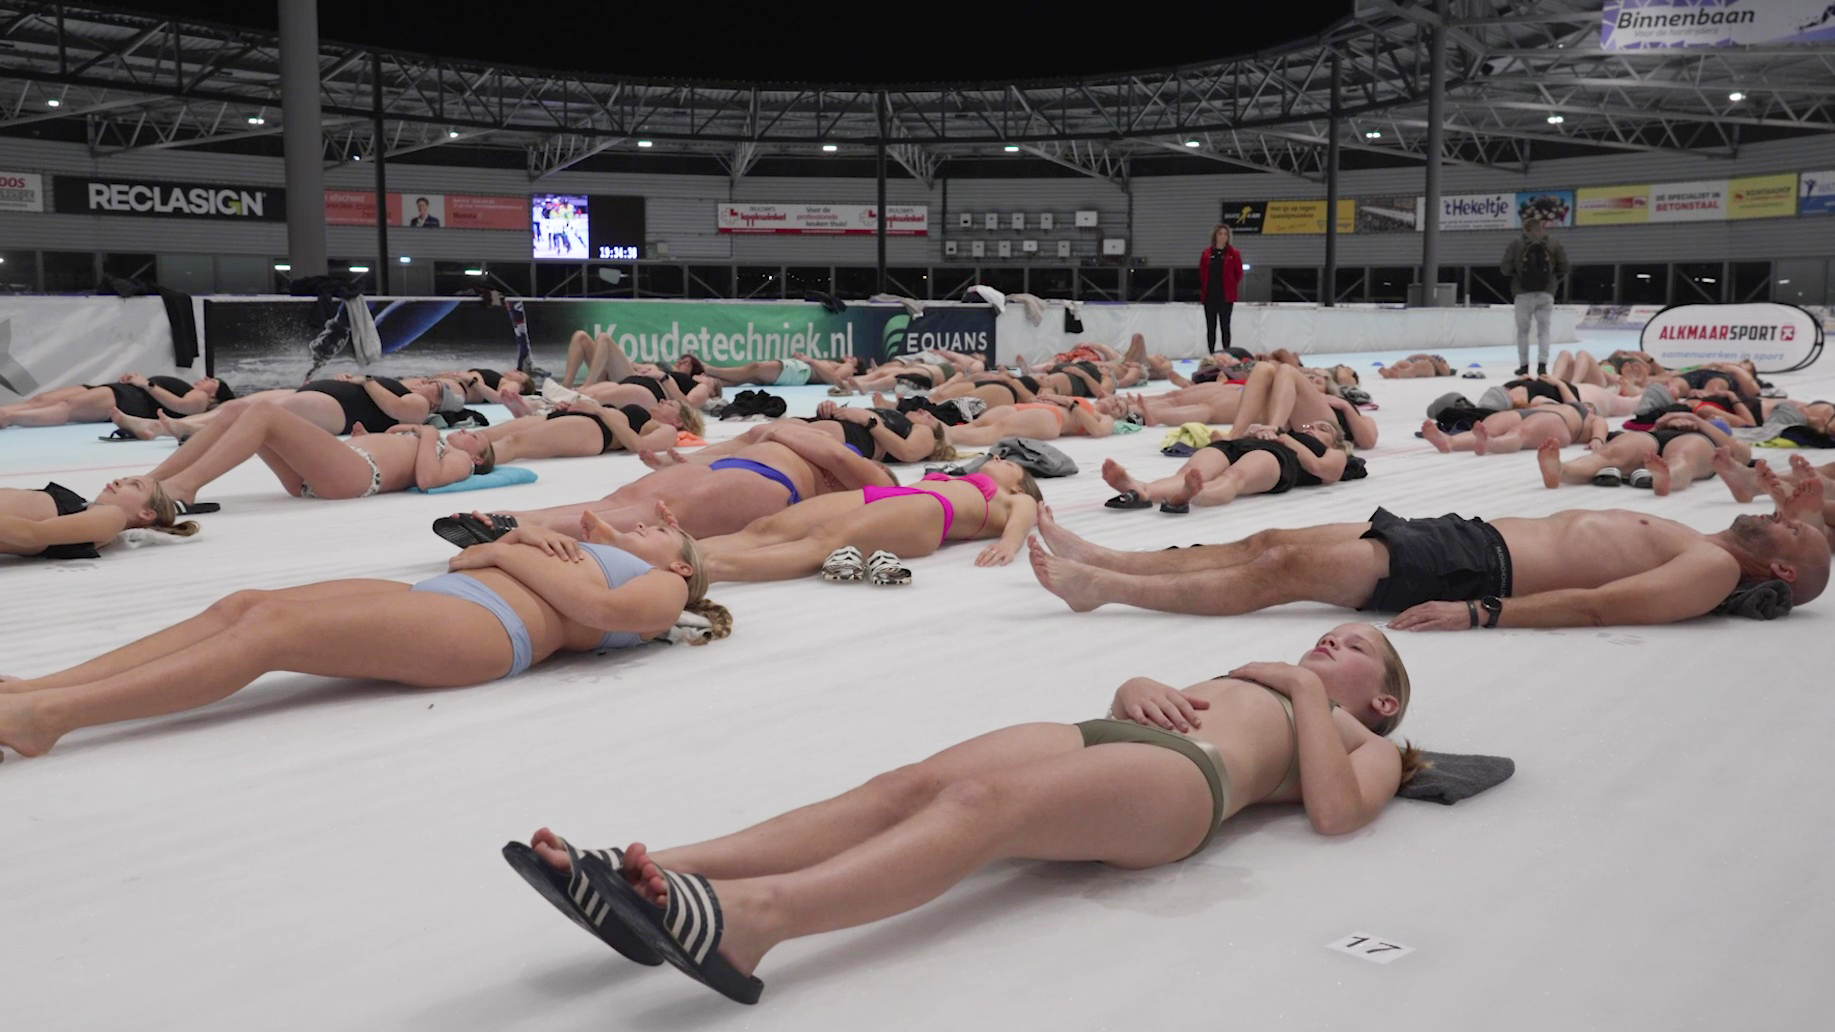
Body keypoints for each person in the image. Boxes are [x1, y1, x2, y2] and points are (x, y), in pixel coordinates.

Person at [508, 623, 1418, 1004]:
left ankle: (754, 923)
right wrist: (1137, 682)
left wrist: (1304, 689)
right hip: (1100, 733)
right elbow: (1158, 697)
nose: (1326, 644)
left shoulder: (1359, 736)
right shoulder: (1263, 674)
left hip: (1186, 785)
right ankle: (655, 871)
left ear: (1380, 700)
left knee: (985, 805)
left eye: (1353, 652)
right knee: (902, 786)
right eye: (1323, 640)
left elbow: (1336, 816)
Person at [0, 523, 730, 761]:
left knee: (270, 634)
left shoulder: (663, 585)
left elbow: (602, 608)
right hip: (448, 599)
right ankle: (43, 688)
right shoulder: (568, 544)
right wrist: (506, 546)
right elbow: (458, 559)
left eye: (662, 528)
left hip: (486, 631)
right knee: (245, 605)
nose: (644, 523)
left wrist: (508, 552)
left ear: (683, 562)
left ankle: (52, 720)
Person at [1024, 492, 1828, 625]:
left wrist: (1480, 613)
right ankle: (1106, 557)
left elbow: (1599, 605)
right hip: (1466, 537)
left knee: (1280, 575)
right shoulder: (1710, 543)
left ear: (1782, 573)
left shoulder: (1715, 570)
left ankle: (1103, 589)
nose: (1777, 519)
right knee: (1269, 543)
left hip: (1474, 572)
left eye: (1793, 532)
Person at [433, 423, 899, 546]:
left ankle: (525, 529)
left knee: (643, 515)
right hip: (734, 466)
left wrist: (780, 431)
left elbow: (835, 454)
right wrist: (681, 462)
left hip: (766, 482)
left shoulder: (873, 477)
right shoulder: (802, 441)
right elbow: (743, 438)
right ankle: (510, 522)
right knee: (622, 501)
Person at [697, 458, 1042, 583]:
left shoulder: (1015, 497)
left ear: (1017, 483)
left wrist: (1008, 546)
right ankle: (687, 552)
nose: (998, 457)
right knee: (766, 528)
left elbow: (1024, 520)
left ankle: (713, 568)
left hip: (930, 511)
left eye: (1010, 463)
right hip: (895, 499)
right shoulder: (959, 480)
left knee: (823, 540)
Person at [139, 400, 488, 507]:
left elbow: (427, 479)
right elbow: (396, 446)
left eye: (476, 439)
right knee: (236, 411)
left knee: (263, 412)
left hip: (360, 477)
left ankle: (185, 486)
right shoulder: (434, 443)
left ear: (477, 459)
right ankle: (151, 481)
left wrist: (427, 433)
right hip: (344, 464)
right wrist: (366, 438)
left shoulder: (459, 462)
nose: (466, 432)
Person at [1102, 421, 1364, 513]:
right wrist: (1252, 431)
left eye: (1323, 428)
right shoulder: (1281, 431)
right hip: (1242, 445)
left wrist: (1283, 436)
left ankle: (1193, 494)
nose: (1312, 428)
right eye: (1309, 426)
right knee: (1187, 473)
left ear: (1336, 439)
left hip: (1279, 458)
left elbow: (1320, 469)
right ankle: (1142, 489)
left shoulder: (1335, 452)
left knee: (1234, 478)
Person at [1536, 412, 1751, 494]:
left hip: (1700, 441)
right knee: (1611, 453)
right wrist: (1663, 422)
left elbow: (1739, 452)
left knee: (1682, 458)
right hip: (1654, 436)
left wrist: (1696, 420)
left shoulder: (1720, 430)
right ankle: (1562, 471)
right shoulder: (1671, 414)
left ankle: (1666, 477)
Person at [450, 395, 699, 465]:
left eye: (671, 404)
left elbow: (639, 446)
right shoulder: (646, 412)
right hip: (577, 416)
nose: (663, 402)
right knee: (488, 434)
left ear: (678, 421)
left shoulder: (667, 431)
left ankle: (467, 463)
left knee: (516, 442)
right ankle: (446, 452)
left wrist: (600, 411)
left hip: (594, 430)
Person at [0, 476, 199, 560]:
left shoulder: (113, 517)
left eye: (135, 485)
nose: (119, 481)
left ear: (146, 514)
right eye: (125, 478)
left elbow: (32, 535)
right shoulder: (88, 509)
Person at [0, 375, 232, 429]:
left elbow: (182, 407)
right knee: (41, 400)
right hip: (123, 390)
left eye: (213, 381)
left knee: (65, 408)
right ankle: (4, 412)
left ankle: (9, 417)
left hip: (129, 399)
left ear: (215, 396)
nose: (206, 379)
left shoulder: (200, 399)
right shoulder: (193, 390)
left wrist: (145, 385)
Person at [1500, 216, 1570, 376]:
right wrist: (1553, 282)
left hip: (1522, 294)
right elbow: (1565, 266)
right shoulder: (1553, 244)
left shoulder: (1516, 244)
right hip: (1546, 294)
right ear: (1541, 229)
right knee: (1544, 331)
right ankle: (1542, 365)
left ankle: (1524, 366)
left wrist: (1518, 276)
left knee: (1523, 331)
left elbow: (1504, 268)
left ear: (1525, 230)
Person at [1198, 224, 1243, 355]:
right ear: (1215, 236)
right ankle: (1211, 354)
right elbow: (1202, 272)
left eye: (1225, 234)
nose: (1222, 237)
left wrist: (1231, 285)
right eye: (1220, 234)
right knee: (1211, 327)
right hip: (1209, 297)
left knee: (1225, 327)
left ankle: (1227, 353)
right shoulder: (1206, 253)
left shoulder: (1234, 253)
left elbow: (1238, 273)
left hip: (1226, 297)